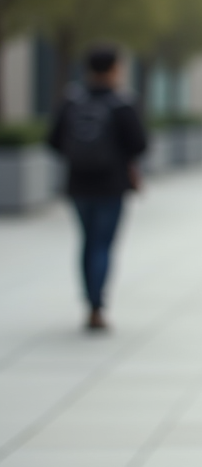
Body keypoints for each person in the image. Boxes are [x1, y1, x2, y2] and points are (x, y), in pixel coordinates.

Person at [47, 46, 148, 332]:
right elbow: (139, 144)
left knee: (87, 241)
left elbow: (53, 141)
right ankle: (97, 306)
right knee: (102, 244)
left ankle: (89, 300)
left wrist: (78, 156)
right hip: (111, 184)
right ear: (115, 68)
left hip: (78, 183)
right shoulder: (122, 103)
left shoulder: (72, 99)